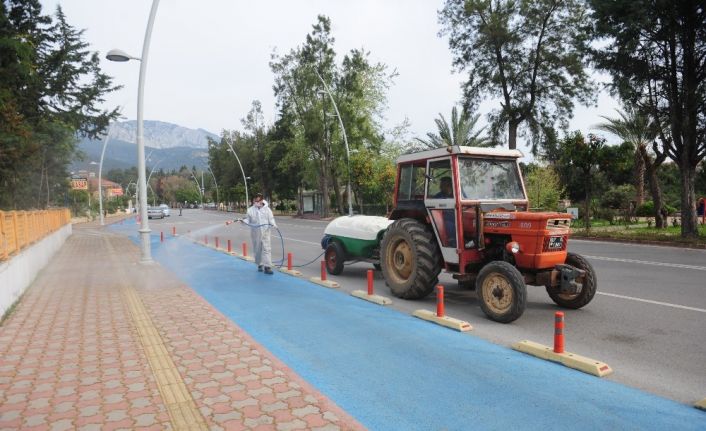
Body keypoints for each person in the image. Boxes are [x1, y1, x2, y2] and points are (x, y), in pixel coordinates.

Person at [242, 193, 277, 275]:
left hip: (265, 233)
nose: (257, 202)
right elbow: (247, 220)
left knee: (267, 249)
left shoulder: (267, 209)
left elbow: (271, 219)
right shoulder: (250, 210)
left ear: (261, 200)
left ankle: (267, 267)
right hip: (255, 233)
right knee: (257, 250)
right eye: (255, 201)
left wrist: (274, 224)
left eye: (258, 201)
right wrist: (243, 221)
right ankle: (260, 264)